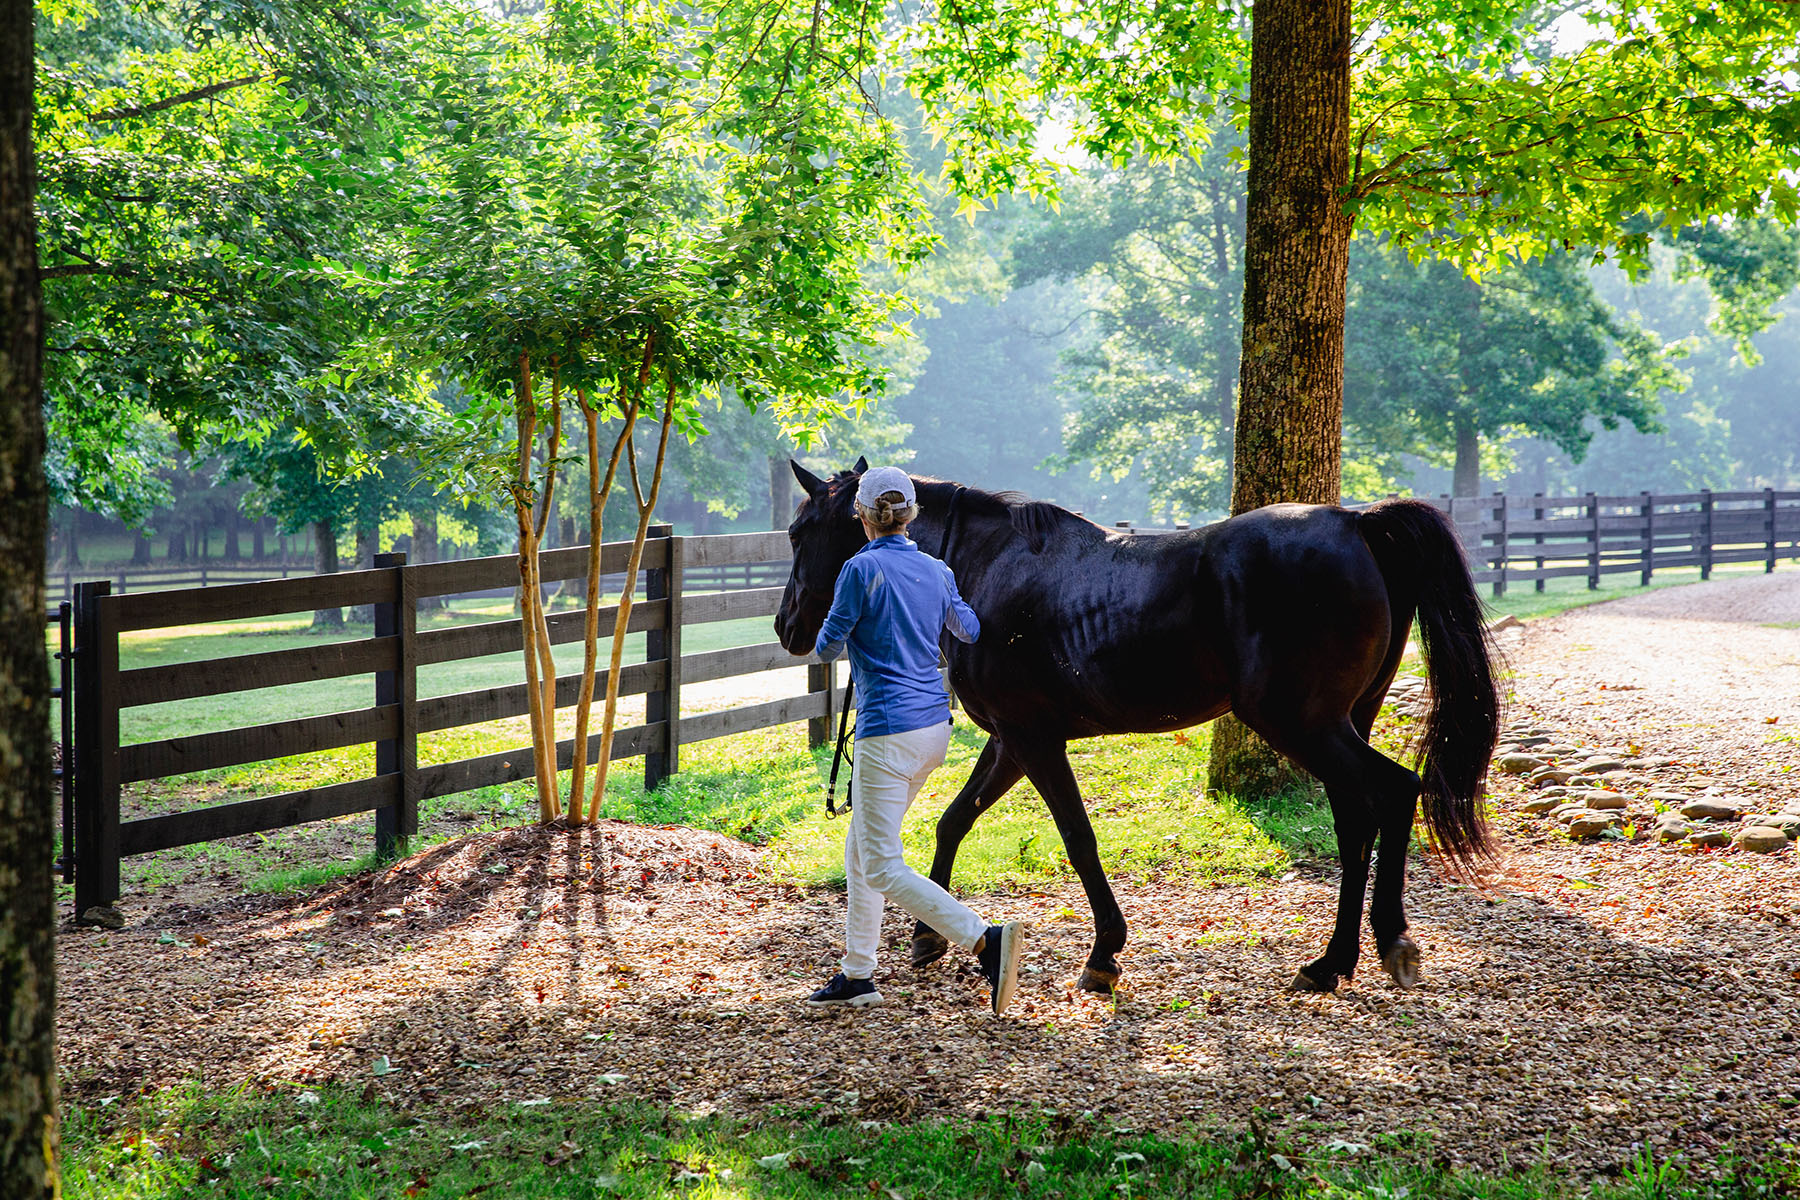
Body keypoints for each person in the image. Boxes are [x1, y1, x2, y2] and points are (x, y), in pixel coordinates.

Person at [807, 466, 1026, 1014]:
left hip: (887, 734)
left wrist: (852, 621)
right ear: (911, 515)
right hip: (932, 730)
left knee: (881, 864)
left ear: (861, 516)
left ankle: (984, 939)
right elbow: (969, 629)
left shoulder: (859, 569)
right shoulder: (937, 569)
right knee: (863, 851)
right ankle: (857, 975)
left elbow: (826, 645)